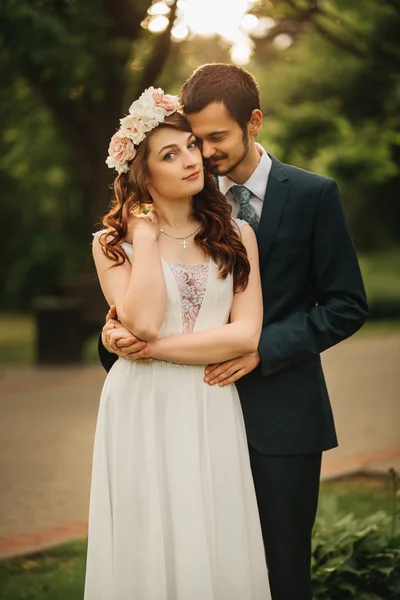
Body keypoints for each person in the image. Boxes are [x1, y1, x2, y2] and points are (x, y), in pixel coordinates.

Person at [99, 64, 368, 600]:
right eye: (192, 139)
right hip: (179, 417)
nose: (202, 152)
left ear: (255, 123)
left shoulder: (314, 195)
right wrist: (112, 340)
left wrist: (261, 350)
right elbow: (143, 299)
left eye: (215, 138)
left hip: (282, 415)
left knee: (280, 568)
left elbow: (346, 305)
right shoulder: (180, 202)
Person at [85, 86, 271, 599]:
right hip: (139, 404)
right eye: (171, 154)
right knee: (148, 534)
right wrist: (144, 241)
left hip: (209, 401)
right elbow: (142, 321)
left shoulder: (237, 234)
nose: (193, 159)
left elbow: (244, 333)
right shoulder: (112, 244)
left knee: (211, 529)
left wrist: (154, 350)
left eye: (191, 145)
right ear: (143, 175)